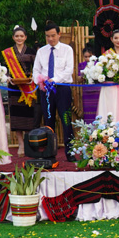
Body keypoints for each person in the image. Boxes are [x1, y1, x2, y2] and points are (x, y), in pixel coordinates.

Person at [33, 23, 75, 162]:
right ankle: (49, 152)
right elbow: (36, 71)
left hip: (62, 88)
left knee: (66, 119)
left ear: (59, 34)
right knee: (48, 121)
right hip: (45, 90)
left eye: (53, 35)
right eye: (47, 36)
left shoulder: (67, 49)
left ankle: (71, 152)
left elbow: (69, 70)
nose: (50, 39)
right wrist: (40, 81)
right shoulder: (41, 51)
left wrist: (54, 80)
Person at [2, 26, 39, 157]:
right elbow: (4, 70)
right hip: (14, 87)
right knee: (16, 116)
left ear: (25, 37)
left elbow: (37, 67)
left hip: (28, 87)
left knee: (29, 115)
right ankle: (20, 145)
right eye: (17, 36)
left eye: (21, 36)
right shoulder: (8, 52)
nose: (19, 38)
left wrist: (33, 78)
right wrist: (8, 79)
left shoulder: (31, 51)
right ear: (13, 37)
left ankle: (29, 144)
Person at [78, 46, 99, 124]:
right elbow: (78, 79)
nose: (87, 58)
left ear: (93, 55)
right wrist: (83, 74)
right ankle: (88, 130)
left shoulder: (98, 64)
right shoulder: (82, 65)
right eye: (85, 57)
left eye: (89, 56)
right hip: (86, 92)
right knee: (87, 112)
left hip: (97, 92)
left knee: (97, 110)